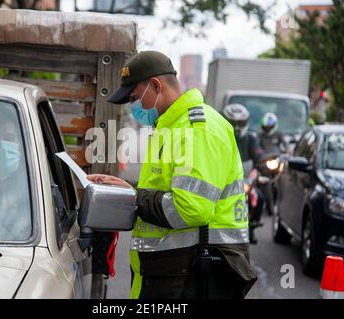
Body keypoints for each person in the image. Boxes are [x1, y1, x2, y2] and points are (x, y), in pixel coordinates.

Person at [87, 51, 257, 299]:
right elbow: (165, 188)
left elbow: (190, 208)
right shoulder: (170, 127)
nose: (135, 108)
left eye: (135, 98)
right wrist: (127, 190)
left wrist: (134, 198)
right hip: (173, 270)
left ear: (156, 85)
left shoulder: (198, 130)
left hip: (194, 273)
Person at [222, 104, 265, 244]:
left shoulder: (251, 139)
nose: (237, 127)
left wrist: (261, 168)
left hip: (245, 178)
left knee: (260, 198)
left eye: (240, 123)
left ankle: (252, 227)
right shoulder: (221, 136)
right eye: (233, 123)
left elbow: (259, 156)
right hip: (224, 179)